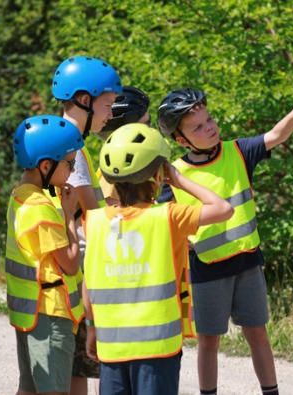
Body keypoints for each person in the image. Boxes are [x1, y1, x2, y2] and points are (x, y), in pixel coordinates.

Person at [157, 88, 293, 395]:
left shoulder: (237, 151)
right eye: (199, 127)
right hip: (205, 270)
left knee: (257, 333)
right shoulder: (174, 175)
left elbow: (274, 135)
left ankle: (271, 391)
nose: (210, 127)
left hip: (247, 262)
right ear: (181, 140)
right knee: (209, 341)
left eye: (210, 120)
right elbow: (162, 220)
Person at [82, 123, 233, 395]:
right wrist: (178, 178)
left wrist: (91, 327)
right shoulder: (168, 216)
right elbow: (223, 209)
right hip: (157, 348)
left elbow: (89, 282)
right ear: (157, 175)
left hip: (111, 347)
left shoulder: (93, 222)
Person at [51, 55, 123, 394]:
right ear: (84, 100)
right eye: (107, 104)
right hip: (75, 273)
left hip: (72, 271)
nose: (110, 114)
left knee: (76, 370)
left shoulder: (67, 143)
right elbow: (93, 217)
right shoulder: (71, 149)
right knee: (76, 369)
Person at [7, 115, 85, 395]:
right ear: (45, 165)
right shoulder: (40, 207)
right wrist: (69, 214)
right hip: (51, 314)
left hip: (30, 311)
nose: (72, 169)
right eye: (70, 163)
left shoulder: (19, 196)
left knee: (28, 389)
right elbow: (71, 263)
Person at [97, 85, 152, 205]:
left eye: (150, 122)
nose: (152, 130)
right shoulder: (114, 180)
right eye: (146, 126)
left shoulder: (129, 169)